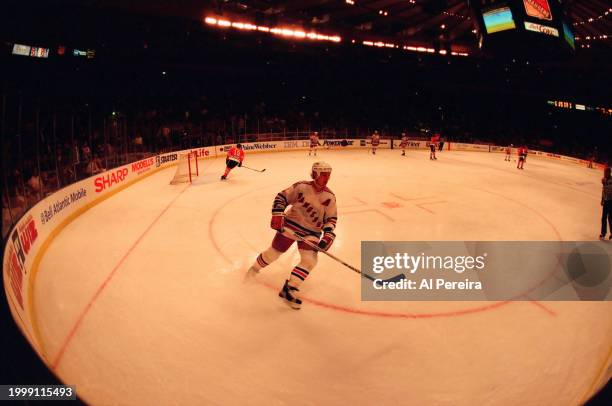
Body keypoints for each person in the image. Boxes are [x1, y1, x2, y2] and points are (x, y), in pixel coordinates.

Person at [246, 161, 338, 309]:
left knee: (310, 261)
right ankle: (254, 269)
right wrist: (277, 214)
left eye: (329, 175)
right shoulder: (302, 187)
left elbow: (331, 219)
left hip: (312, 232)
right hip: (291, 226)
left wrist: (328, 234)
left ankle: (290, 288)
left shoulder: (330, 196)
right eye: (324, 174)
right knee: (273, 253)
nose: (327, 178)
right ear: (315, 174)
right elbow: (282, 197)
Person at [600, 167, 612, 240]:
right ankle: (603, 233)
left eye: (605, 172)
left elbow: (609, 191)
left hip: (611, 201)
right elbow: (603, 190)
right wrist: (602, 199)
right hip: (606, 201)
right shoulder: (604, 179)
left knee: (610, 217)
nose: (604, 173)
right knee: (604, 218)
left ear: (609, 172)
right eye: (604, 172)